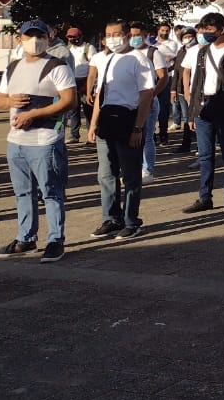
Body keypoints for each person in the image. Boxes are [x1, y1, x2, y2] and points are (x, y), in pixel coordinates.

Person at [0, 20, 77, 261]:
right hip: (16, 141)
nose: (34, 40)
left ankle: (55, 240)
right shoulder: (13, 67)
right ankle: (25, 238)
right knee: (23, 192)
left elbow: (69, 100)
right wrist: (11, 102)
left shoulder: (57, 66)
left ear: (48, 38)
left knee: (51, 192)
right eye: (29, 35)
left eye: (40, 35)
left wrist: (33, 114)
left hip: (44, 140)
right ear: (20, 39)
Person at [87, 20, 155, 239]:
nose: (112, 38)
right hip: (107, 121)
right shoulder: (108, 59)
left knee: (131, 175)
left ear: (126, 35)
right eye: (108, 34)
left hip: (129, 120)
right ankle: (111, 218)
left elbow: (146, 94)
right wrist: (93, 123)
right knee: (106, 174)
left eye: (117, 34)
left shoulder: (139, 59)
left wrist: (138, 127)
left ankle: (131, 221)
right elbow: (101, 93)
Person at [181, 12, 224, 215]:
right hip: (204, 107)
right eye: (203, 29)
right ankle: (205, 197)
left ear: (221, 30)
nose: (205, 33)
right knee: (205, 156)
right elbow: (196, 83)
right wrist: (193, 113)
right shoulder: (202, 52)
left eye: (210, 29)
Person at [129, 20, 167, 181]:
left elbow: (163, 77)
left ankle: (148, 170)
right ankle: (133, 167)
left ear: (145, 35)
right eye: (131, 35)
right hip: (130, 101)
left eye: (137, 35)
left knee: (147, 137)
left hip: (149, 102)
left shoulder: (153, 53)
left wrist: (152, 95)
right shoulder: (127, 53)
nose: (134, 38)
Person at [65, 26, 94, 144]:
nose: (72, 39)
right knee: (73, 110)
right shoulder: (67, 49)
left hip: (85, 81)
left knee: (88, 110)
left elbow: (93, 68)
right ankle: (74, 135)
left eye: (74, 36)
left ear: (80, 36)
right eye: (69, 37)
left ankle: (91, 136)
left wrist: (88, 84)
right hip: (72, 81)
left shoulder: (88, 48)